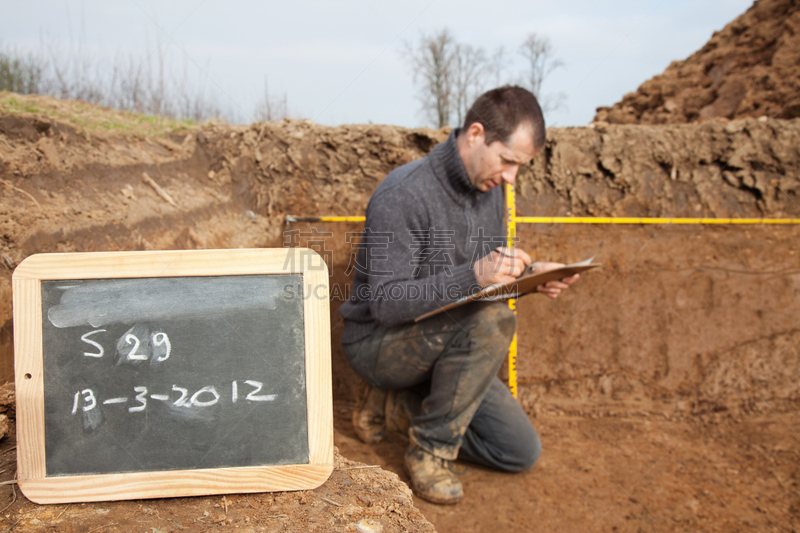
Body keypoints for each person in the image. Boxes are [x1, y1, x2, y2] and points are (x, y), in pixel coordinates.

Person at [338, 86, 579, 505]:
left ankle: (393, 409)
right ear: (475, 135)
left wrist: (531, 276)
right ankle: (431, 451)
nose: (510, 178)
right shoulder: (404, 194)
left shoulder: (491, 192)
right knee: (495, 321)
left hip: (448, 341)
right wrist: (475, 275)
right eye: (507, 161)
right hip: (377, 343)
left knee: (519, 451)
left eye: (519, 167)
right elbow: (388, 303)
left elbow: (483, 283)